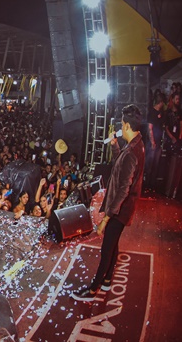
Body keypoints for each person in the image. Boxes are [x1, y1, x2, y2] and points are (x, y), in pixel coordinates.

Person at [71, 104, 145, 301]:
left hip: (120, 209)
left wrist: (106, 218)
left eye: (122, 124)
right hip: (122, 208)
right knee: (113, 244)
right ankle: (107, 280)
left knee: (106, 249)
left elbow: (123, 190)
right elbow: (119, 165)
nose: (121, 126)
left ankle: (93, 289)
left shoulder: (132, 153)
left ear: (127, 126)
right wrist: (114, 145)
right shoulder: (135, 145)